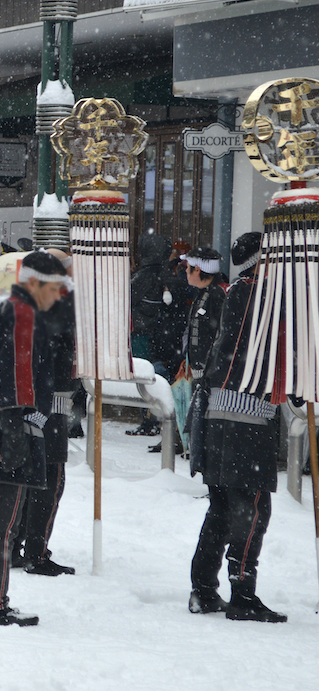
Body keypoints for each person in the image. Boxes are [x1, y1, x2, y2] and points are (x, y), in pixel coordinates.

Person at [0, 250, 64, 626]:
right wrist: (17, 430)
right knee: (1, 525)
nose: (57, 296)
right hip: (7, 430)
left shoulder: (3, 311)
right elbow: (19, 379)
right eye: (54, 288)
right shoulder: (22, 314)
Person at [187, 233, 286, 622]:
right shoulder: (253, 291)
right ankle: (242, 592)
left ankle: (204, 588)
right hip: (244, 415)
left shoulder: (239, 292)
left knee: (224, 507)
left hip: (222, 412)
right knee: (252, 507)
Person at [15, 249, 76, 576]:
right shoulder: (53, 309)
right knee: (50, 479)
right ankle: (35, 551)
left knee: (32, 478)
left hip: (35, 402)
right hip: (49, 403)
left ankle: (18, 543)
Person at [128, 234, 184, 435]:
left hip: (143, 334)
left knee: (145, 377)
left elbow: (128, 299)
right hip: (165, 335)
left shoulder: (144, 276)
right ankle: (158, 418)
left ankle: (149, 420)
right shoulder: (168, 273)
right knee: (157, 376)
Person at [174, 247, 225, 452]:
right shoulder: (203, 294)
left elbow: (220, 338)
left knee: (208, 438)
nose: (184, 272)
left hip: (212, 380)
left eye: (187, 268)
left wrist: (209, 371)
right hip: (201, 377)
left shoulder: (218, 295)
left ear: (197, 270)